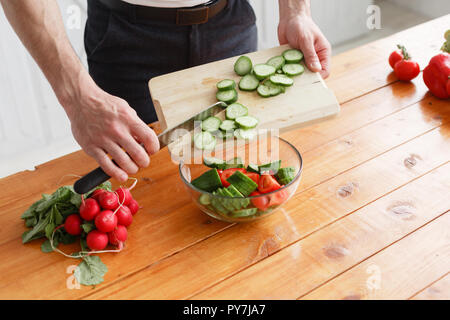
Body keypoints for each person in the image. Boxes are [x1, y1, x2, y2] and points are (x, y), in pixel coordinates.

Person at [1, 0, 331, 182]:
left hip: (230, 22)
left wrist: (295, 10)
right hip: (124, 37)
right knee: (142, 189)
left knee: (238, 177)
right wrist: (76, 95)